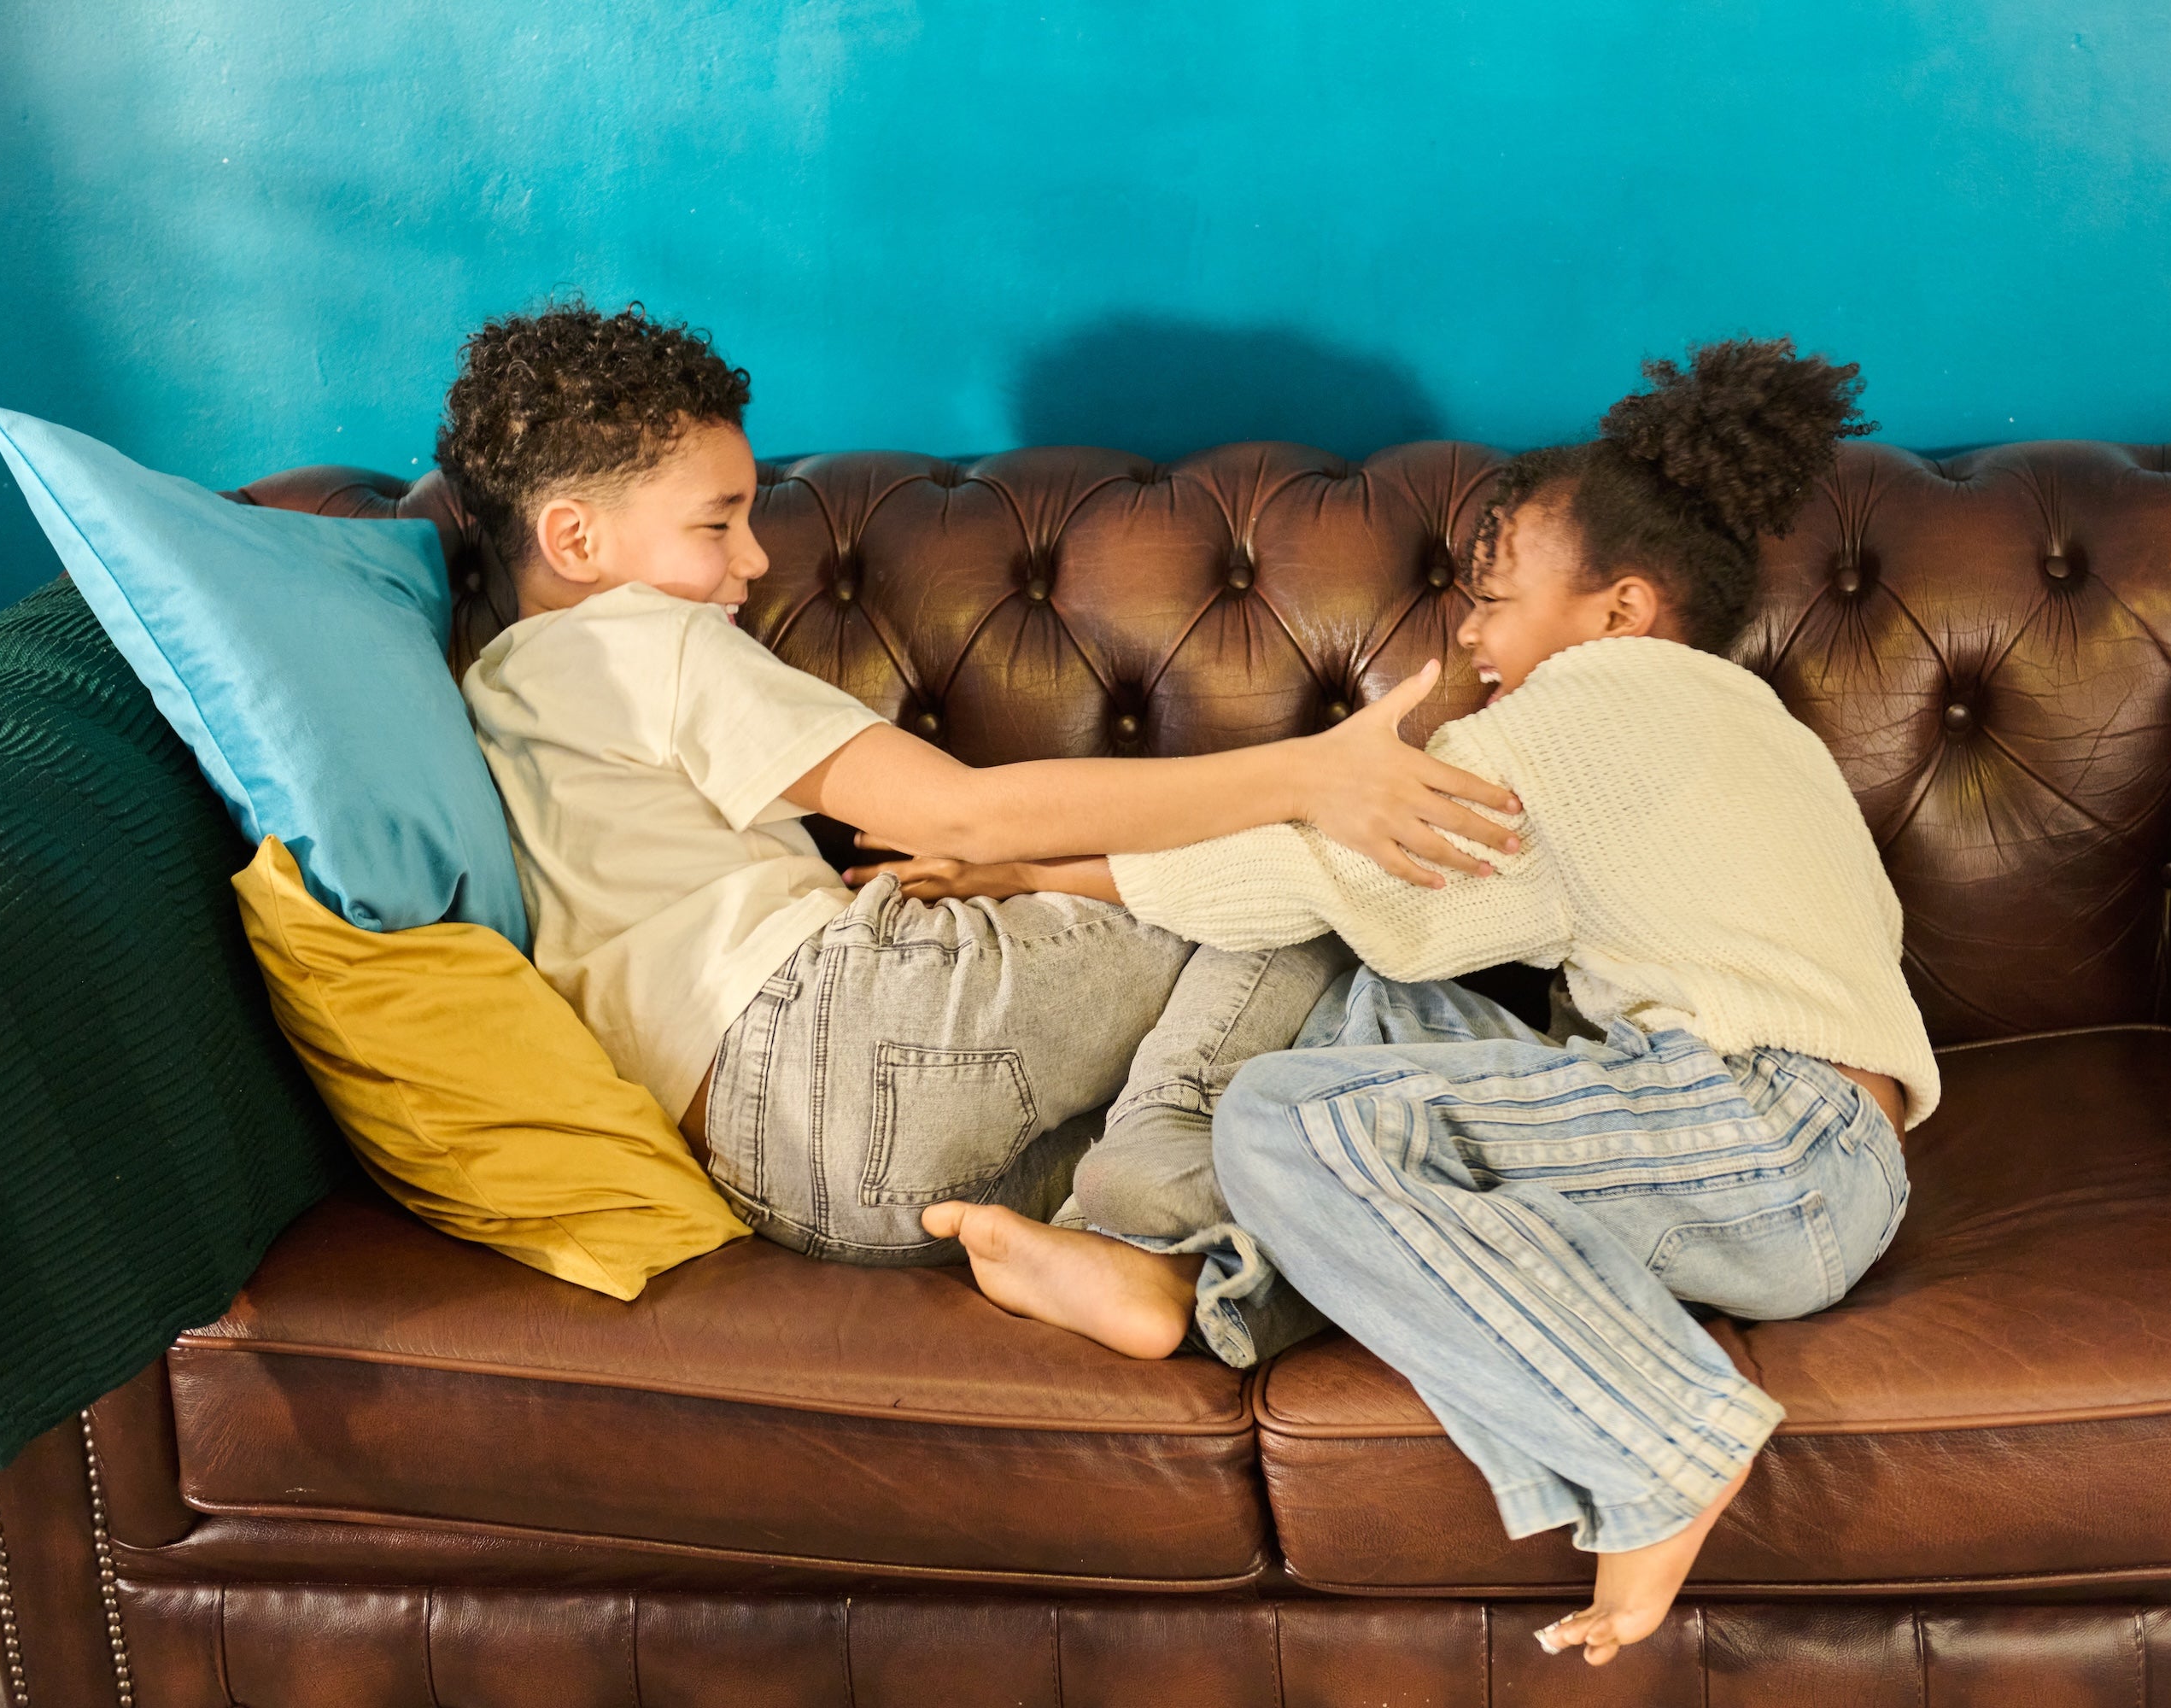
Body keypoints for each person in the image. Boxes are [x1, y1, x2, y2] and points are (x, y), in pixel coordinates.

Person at [870, 338, 1931, 1666]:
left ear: (1621, 611)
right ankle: (1184, 1277)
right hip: (1774, 1163)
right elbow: (1368, 913)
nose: (1470, 636)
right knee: (1370, 1019)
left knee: (1290, 1115)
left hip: (1762, 1142)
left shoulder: (1597, 706)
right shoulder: (1753, 728)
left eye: (1495, 598)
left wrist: (1034, 866)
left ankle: (1662, 1440)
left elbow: (1306, 871)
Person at [436, 300, 1519, 1278]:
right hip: (838, 1031)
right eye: (717, 524)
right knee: (1288, 891)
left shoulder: (495, 689)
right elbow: (961, 809)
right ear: (575, 538)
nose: (755, 560)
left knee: (1296, 1132)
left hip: (793, 1185)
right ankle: (1192, 1159)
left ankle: (1131, 1253)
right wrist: (1307, 775)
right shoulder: (643, 638)